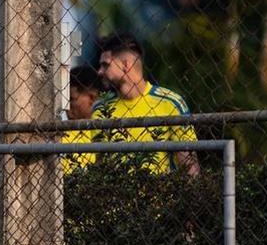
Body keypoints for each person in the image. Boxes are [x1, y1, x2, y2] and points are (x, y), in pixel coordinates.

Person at [92, 32, 199, 175]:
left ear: (126, 65)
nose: (99, 72)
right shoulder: (101, 109)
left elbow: (189, 167)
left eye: (105, 65)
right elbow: (98, 165)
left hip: (161, 195)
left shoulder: (170, 103)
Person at [62, 65, 104, 174]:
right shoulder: (61, 132)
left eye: (72, 99)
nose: (66, 105)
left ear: (92, 98)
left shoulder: (102, 132)